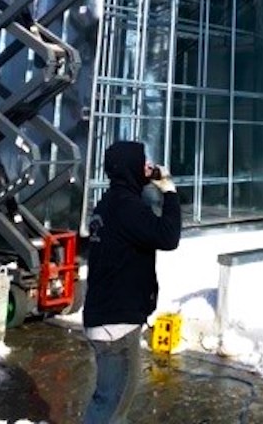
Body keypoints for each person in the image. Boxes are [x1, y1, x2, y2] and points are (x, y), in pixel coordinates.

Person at [82, 140, 181, 424]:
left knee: (114, 403)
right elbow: (168, 236)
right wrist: (169, 191)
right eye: (143, 162)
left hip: (106, 317)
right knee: (110, 406)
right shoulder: (127, 207)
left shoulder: (108, 203)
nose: (148, 166)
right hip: (117, 325)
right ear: (130, 168)